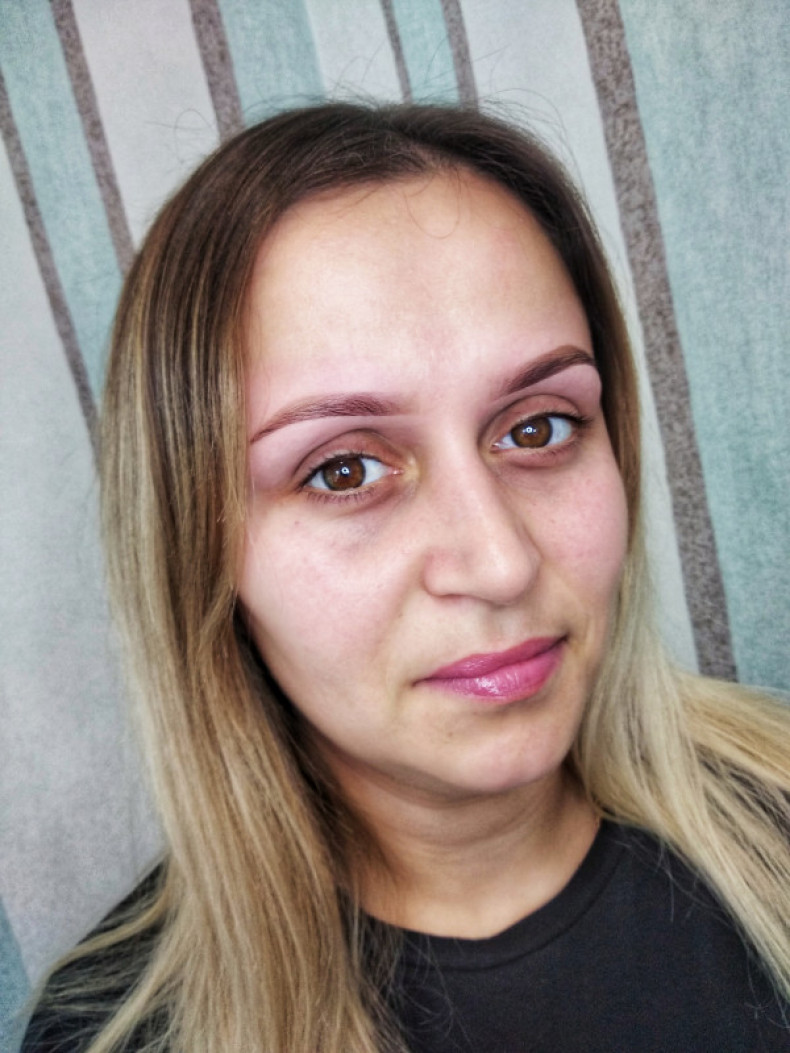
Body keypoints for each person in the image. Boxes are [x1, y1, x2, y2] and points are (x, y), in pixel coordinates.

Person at [23, 102, 790, 1053]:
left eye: (538, 426)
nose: (502, 563)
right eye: (344, 469)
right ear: (201, 552)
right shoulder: (114, 1034)